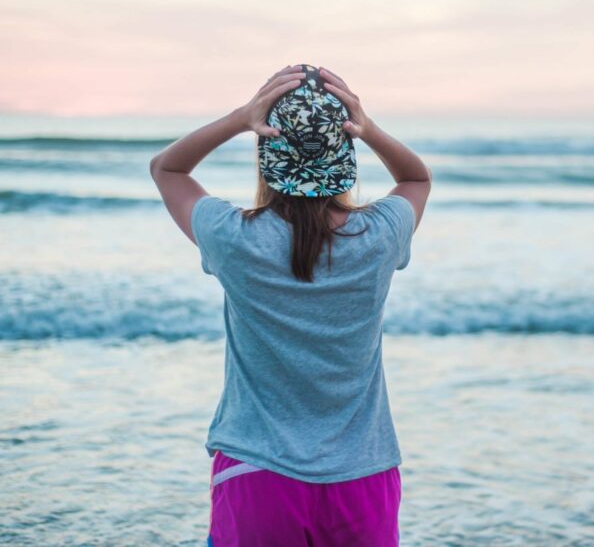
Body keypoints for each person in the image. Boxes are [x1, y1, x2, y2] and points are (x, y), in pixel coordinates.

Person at [149, 63, 432, 546]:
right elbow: (416, 178)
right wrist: (366, 126)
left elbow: (168, 168)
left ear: (267, 157)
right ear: (345, 154)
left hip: (258, 470)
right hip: (362, 473)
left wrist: (241, 117)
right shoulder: (380, 235)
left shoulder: (234, 237)